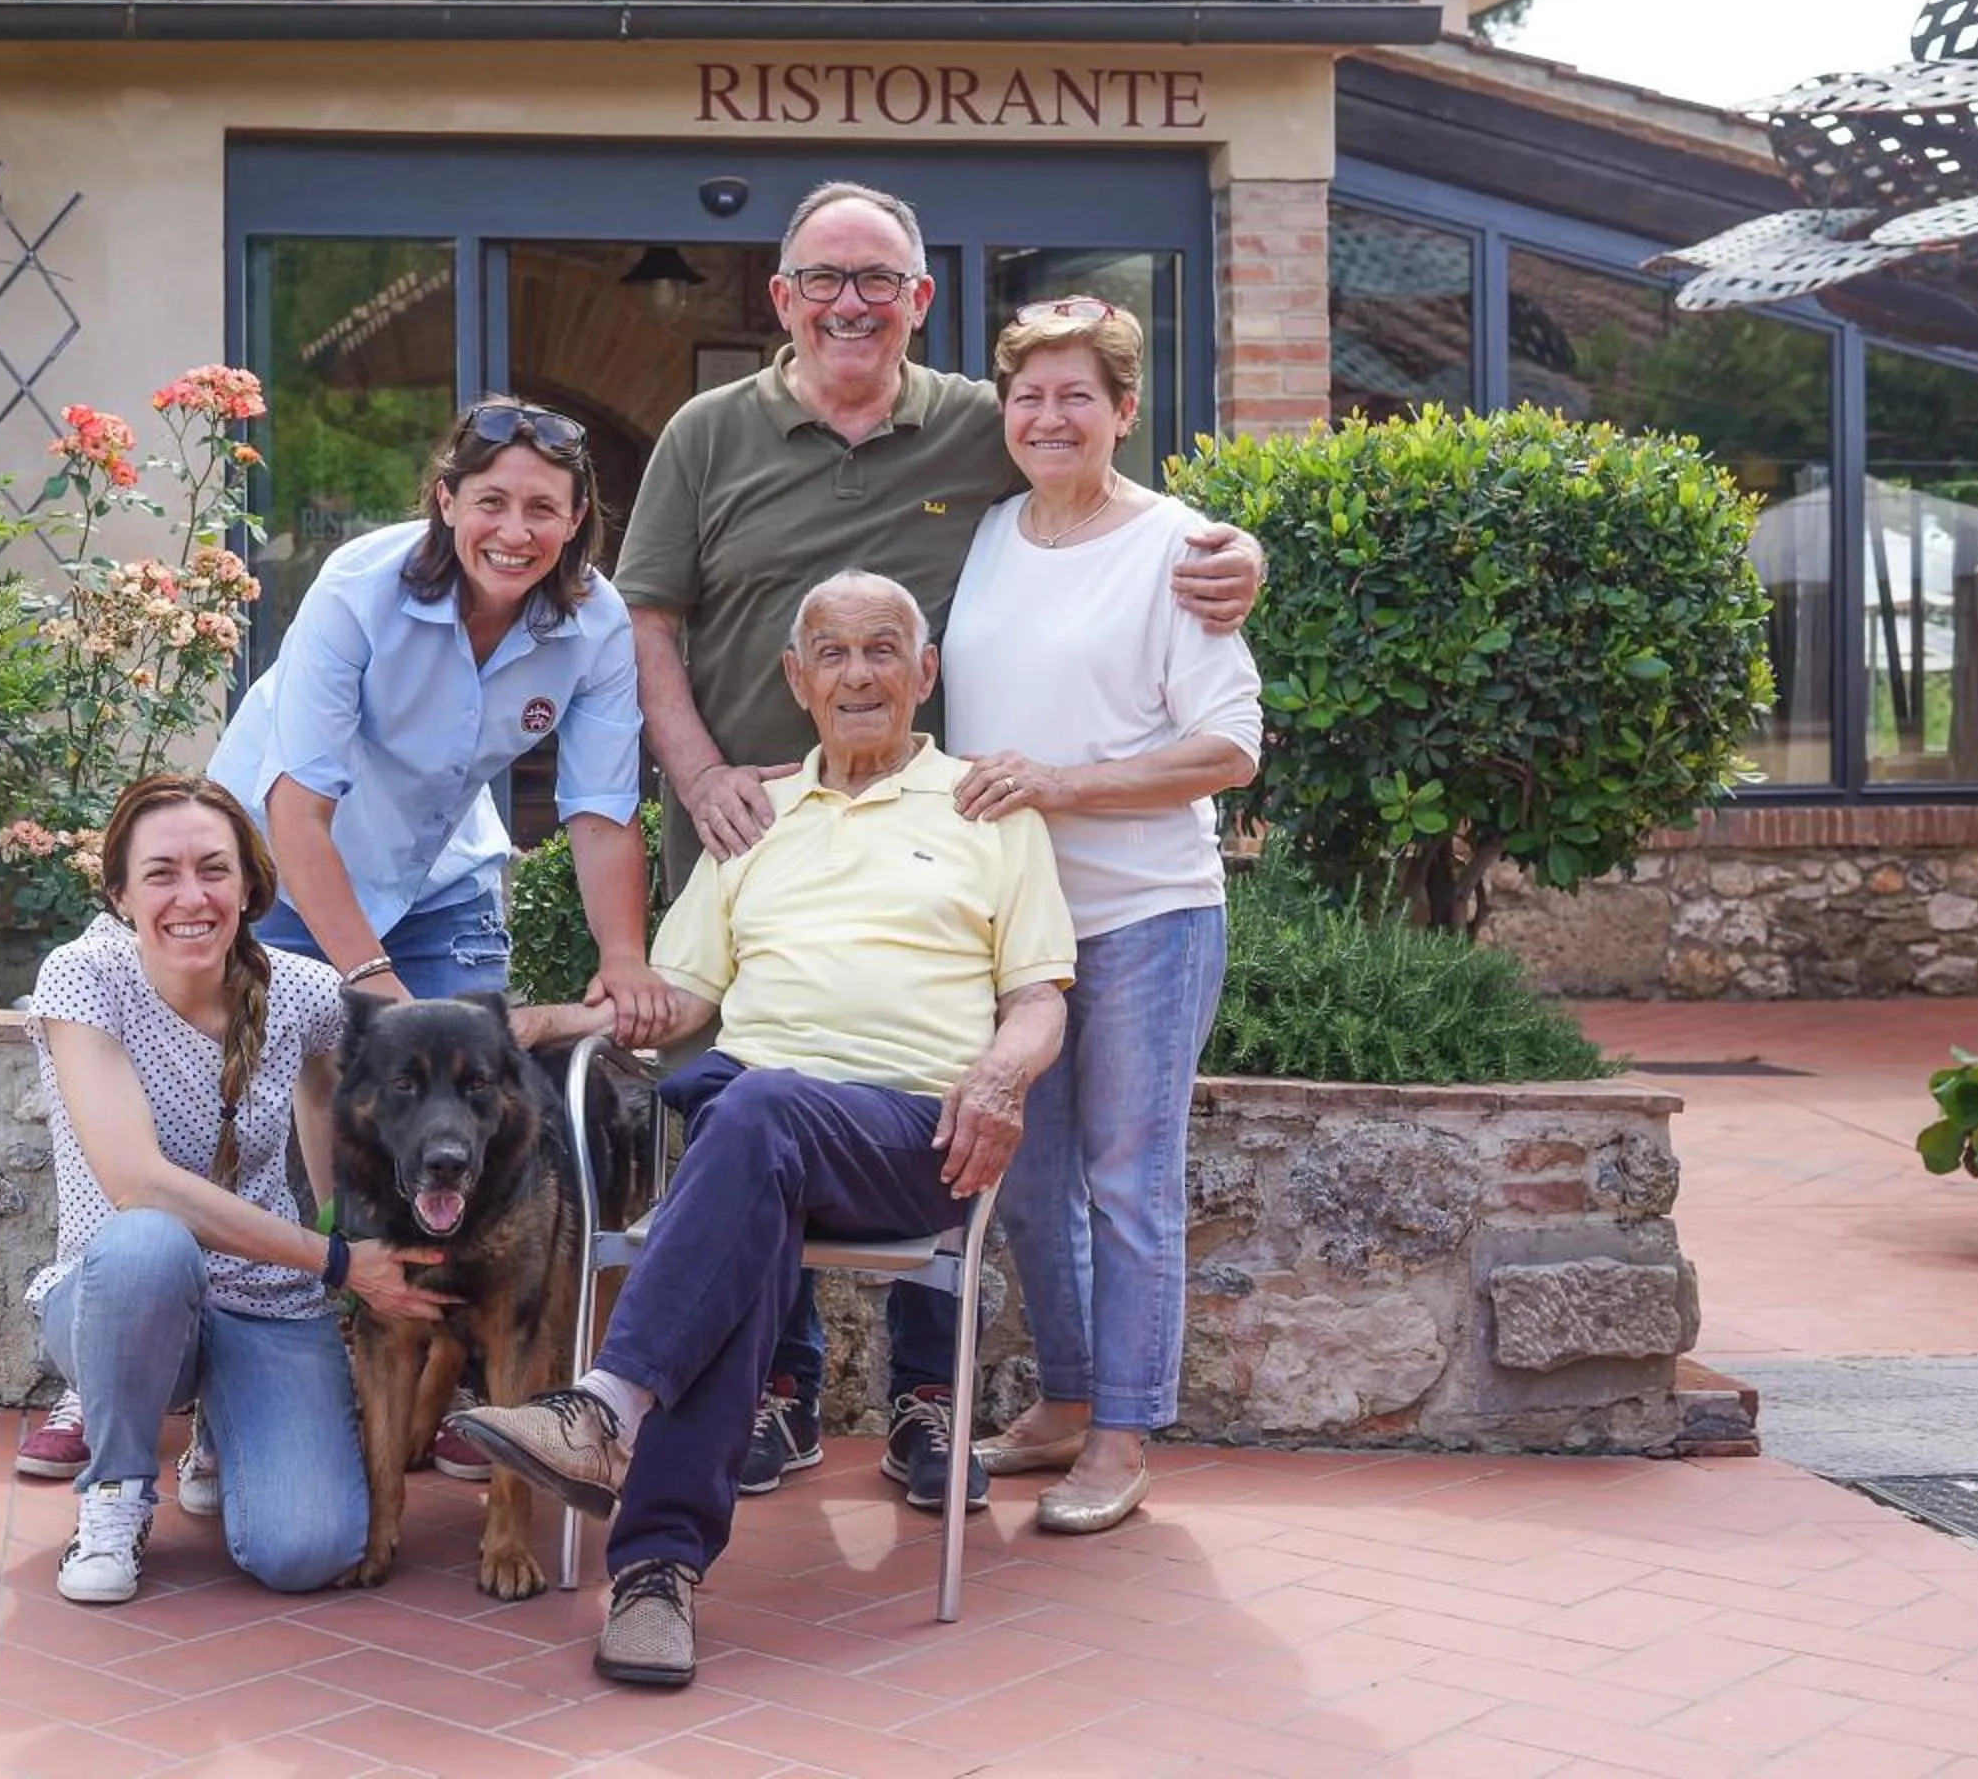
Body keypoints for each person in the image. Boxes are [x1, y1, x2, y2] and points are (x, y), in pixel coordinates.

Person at [612, 179, 1262, 1509]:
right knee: (761, 1115)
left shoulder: (981, 426)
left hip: (967, 878)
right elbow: (648, 623)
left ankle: (951, 1407)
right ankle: (778, 1397)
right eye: (822, 280)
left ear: (919, 302)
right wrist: (692, 779)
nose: (851, 304)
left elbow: (1117, 503)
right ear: (781, 297)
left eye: (880, 282)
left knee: (967, 1122)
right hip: (759, 851)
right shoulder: (713, 434)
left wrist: (1235, 551)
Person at [454, 571, 1074, 1688]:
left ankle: (605, 1408)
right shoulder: (756, 816)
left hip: (910, 1135)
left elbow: (1040, 994)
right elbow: (676, 998)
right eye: (831, 654)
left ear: (925, 672)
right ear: (797, 680)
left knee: (750, 1106)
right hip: (761, 1136)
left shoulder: (986, 805)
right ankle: (653, 1577)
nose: (859, 674)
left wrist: (1003, 1072)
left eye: (884, 648)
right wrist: (544, 1019)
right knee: (746, 1145)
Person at [209, 396, 678, 1479]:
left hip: (440, 863)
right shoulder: (362, 587)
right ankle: (273, 1362)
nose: (515, 529)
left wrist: (623, 957)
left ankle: (451, 1390)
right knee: (301, 1093)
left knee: (472, 1089)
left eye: (544, 509)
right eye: (493, 501)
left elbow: (602, 809)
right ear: (446, 501)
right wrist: (365, 981)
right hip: (284, 858)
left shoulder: (595, 622)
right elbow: (299, 807)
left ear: (578, 520)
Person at [945, 297, 1261, 1534]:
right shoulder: (987, 533)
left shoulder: (1178, 546)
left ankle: (1123, 1433)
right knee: (1024, 1173)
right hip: (1015, 927)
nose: (1049, 415)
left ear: (1126, 411)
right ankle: (1067, 1397)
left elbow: (1231, 746)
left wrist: (1061, 783)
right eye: (1028, 395)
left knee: (1129, 1182)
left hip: (1144, 916)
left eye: (1078, 394)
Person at [22, 774, 443, 1606]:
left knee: (307, 1551)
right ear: (118, 894)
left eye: (214, 870)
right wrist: (337, 1261)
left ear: (249, 885)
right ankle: (115, 1495)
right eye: (161, 874)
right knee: (149, 1241)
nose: (192, 896)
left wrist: (350, 1231)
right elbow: (138, 1183)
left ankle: (222, 1430)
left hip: (266, 1299)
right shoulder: (83, 977)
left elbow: (340, 1098)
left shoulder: (303, 991)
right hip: (118, 1298)